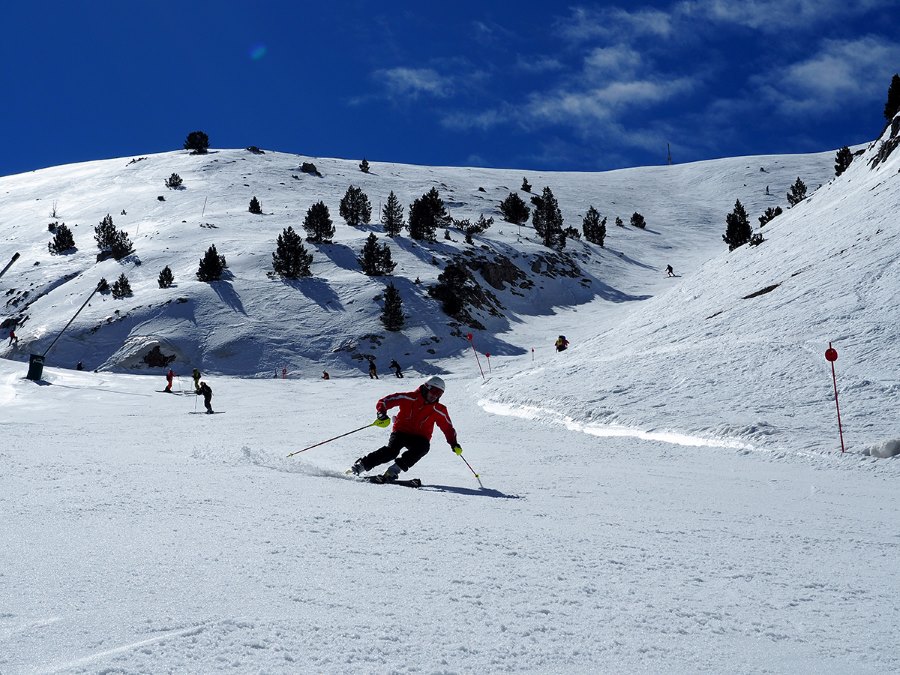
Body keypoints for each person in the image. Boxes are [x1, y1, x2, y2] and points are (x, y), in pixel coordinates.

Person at [350, 376, 462, 482]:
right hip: (401, 432)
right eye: (433, 391)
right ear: (426, 387)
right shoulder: (409, 397)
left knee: (423, 447)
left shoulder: (439, 409)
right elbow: (385, 401)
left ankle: (393, 471)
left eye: (439, 394)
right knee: (391, 452)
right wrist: (381, 413)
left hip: (419, 438)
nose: (435, 396)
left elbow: (447, 427)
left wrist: (454, 443)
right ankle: (360, 466)